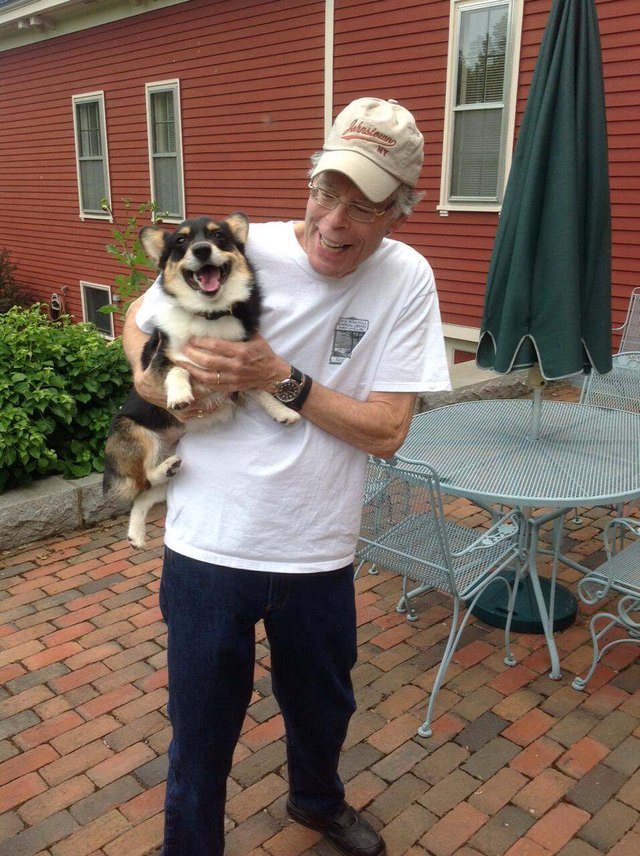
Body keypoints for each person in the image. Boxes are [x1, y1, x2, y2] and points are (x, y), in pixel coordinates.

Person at [122, 96, 450, 856]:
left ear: (400, 212)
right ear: (311, 181)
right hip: (209, 546)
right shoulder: (234, 249)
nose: (335, 221)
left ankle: (316, 802)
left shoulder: (408, 280)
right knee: (199, 732)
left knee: (322, 707)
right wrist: (158, 384)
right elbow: (136, 329)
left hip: (318, 549)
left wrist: (281, 376)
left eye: (366, 206)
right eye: (327, 192)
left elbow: (390, 432)